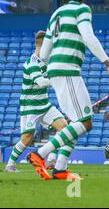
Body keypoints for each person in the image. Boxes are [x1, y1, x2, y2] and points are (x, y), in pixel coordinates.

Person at [27, 0, 109, 180]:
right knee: (85, 123)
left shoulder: (56, 14)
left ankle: (60, 168)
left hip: (56, 69)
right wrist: (108, 65)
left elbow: (43, 54)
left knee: (74, 123)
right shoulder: (82, 9)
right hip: (68, 68)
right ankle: (39, 154)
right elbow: (88, 37)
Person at [4, 32, 68, 173]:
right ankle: (10, 165)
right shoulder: (31, 64)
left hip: (44, 105)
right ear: (42, 45)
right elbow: (41, 82)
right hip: (30, 107)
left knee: (64, 127)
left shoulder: (48, 60)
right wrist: (58, 81)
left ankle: (51, 159)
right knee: (27, 138)